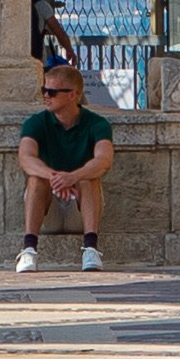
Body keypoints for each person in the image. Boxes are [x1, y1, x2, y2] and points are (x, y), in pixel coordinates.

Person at [14, 55, 115, 273]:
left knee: (89, 178)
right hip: (48, 207)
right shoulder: (36, 122)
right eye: (44, 91)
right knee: (36, 179)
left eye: (52, 92)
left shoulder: (97, 124)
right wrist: (56, 178)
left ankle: (90, 248)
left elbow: (104, 159)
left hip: (79, 205)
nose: (46, 97)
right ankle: (29, 249)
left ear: (72, 95)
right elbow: (26, 157)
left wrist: (74, 177)